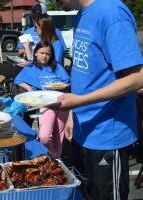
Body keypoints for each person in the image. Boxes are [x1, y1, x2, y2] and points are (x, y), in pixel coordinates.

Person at [51, 0, 143, 199]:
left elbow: (137, 78)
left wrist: (80, 101)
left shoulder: (112, 13)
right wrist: (72, 115)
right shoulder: (82, 14)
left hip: (107, 136)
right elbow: (85, 72)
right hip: (82, 129)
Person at [14, 40, 70, 159]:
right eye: (42, 53)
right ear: (35, 53)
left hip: (61, 101)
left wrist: (63, 86)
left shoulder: (57, 66)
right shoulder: (31, 67)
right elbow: (18, 80)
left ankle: (57, 160)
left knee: (59, 136)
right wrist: (29, 88)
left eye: (48, 54)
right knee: (44, 136)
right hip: (45, 104)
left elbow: (67, 82)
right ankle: (52, 155)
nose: (45, 56)